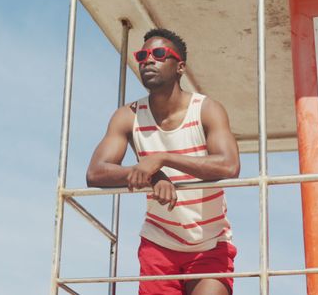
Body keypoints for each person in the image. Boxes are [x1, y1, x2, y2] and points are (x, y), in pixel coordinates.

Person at [86, 28, 240, 295]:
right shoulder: (128, 116)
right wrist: (151, 174)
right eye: (142, 55)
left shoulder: (206, 109)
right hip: (159, 243)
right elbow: (95, 172)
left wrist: (162, 159)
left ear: (179, 66)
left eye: (158, 54)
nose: (148, 60)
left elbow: (229, 165)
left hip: (210, 241)